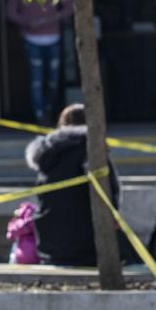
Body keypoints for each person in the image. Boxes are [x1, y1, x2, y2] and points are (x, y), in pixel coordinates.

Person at [24, 102, 122, 266]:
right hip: (87, 247)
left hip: (49, 245)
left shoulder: (47, 154)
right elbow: (111, 193)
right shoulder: (92, 149)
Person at [6, 0, 73, 126]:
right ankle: (40, 114)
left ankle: (49, 110)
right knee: (36, 81)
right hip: (32, 39)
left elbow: (69, 7)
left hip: (53, 37)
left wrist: (52, 18)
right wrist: (27, 21)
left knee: (53, 81)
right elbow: (11, 12)